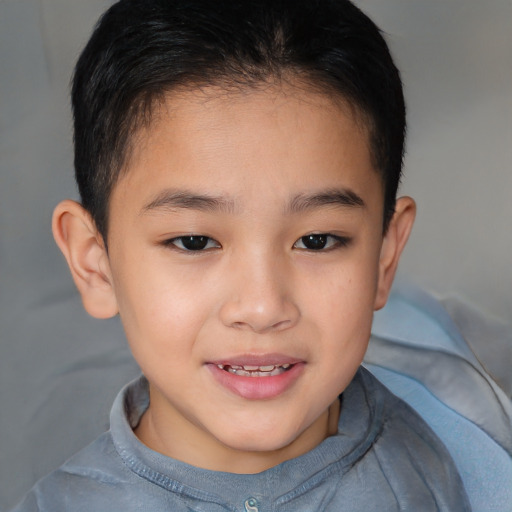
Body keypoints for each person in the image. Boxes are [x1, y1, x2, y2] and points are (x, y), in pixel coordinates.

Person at [10, 0, 472, 510]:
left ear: (385, 256)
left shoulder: (459, 461)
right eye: (194, 241)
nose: (262, 307)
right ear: (94, 263)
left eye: (317, 240)